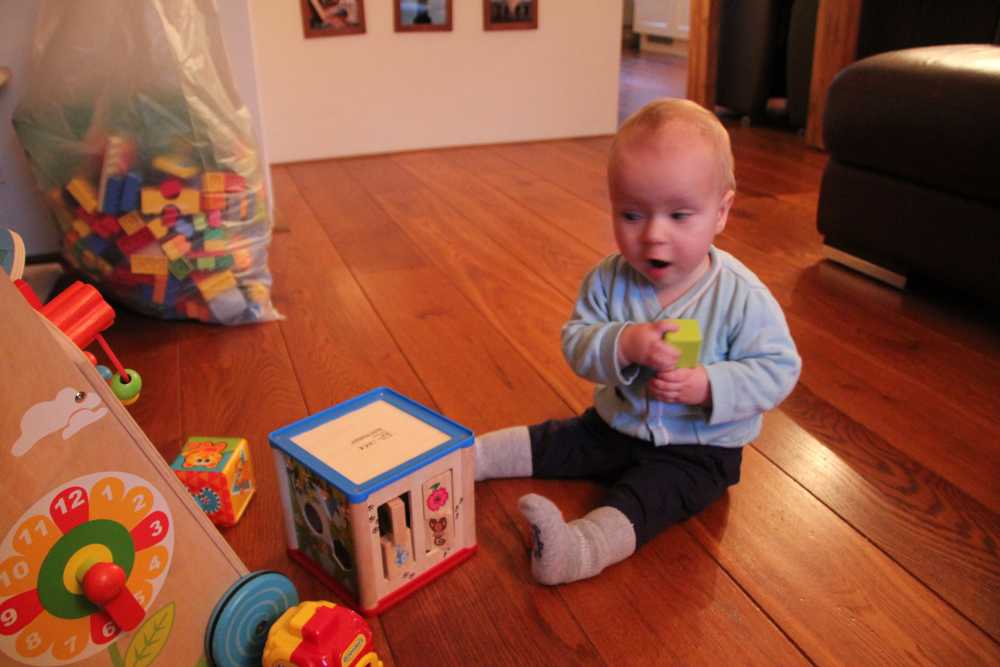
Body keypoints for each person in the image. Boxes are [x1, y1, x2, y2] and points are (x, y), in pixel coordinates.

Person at [473, 98, 802, 586]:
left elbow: (778, 368)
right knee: (560, 440)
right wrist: (622, 343)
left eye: (679, 215)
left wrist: (709, 384)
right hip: (617, 421)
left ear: (721, 212)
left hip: (699, 450)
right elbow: (577, 343)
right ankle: (471, 456)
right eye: (631, 214)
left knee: (651, 497)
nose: (653, 236)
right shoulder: (608, 281)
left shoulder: (740, 296)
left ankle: (579, 550)